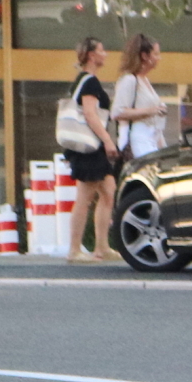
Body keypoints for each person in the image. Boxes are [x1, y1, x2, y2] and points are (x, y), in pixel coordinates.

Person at [55, 37, 118, 262]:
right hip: (88, 146)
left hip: (92, 146)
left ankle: (102, 246)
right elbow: (90, 114)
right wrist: (107, 140)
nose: (105, 54)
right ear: (91, 55)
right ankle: (74, 249)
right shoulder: (89, 82)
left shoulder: (84, 80)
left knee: (108, 190)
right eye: (102, 50)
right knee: (85, 195)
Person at [111, 34, 168, 169]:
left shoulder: (145, 80)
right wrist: (151, 111)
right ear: (144, 56)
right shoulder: (130, 80)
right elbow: (117, 112)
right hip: (138, 138)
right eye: (156, 54)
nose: (159, 58)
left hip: (152, 137)